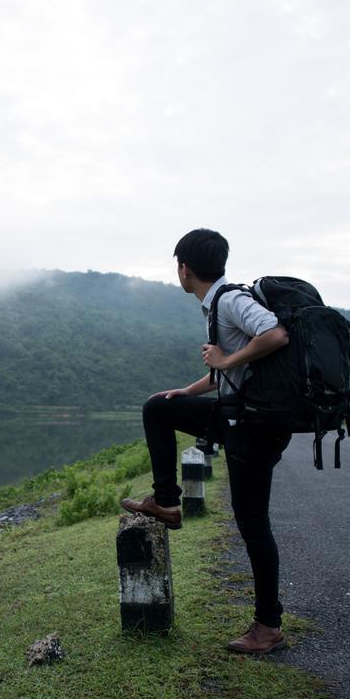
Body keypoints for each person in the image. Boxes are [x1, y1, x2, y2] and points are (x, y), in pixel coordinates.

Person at [120, 228, 293, 654]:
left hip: (253, 424)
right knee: (159, 406)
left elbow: (275, 334)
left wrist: (225, 359)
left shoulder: (230, 300)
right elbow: (227, 375)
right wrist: (186, 391)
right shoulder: (216, 303)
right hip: (236, 416)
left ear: (184, 268)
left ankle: (268, 626)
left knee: (253, 524)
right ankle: (167, 501)